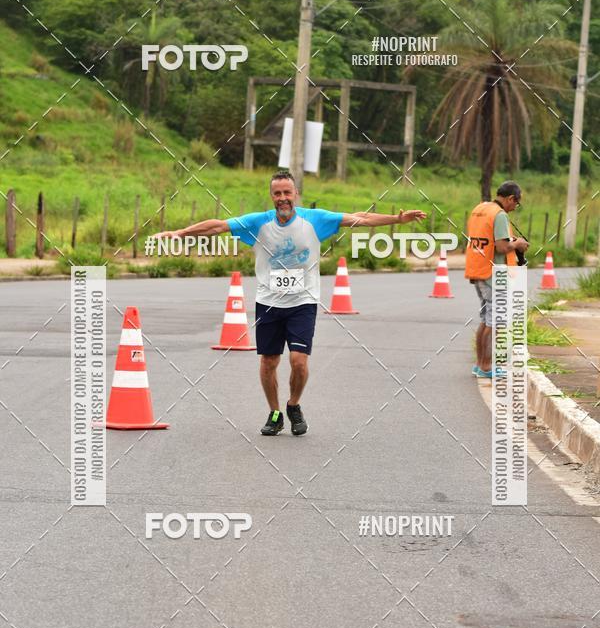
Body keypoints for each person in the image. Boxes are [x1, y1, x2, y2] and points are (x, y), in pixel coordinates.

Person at [153, 170, 426, 435]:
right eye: (277, 194)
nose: (282, 198)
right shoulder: (258, 223)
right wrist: (179, 233)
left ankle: (294, 405)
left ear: (296, 193)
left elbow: (360, 218)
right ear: (271, 196)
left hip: (303, 302)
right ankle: (274, 413)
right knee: (269, 361)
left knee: (298, 361)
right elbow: (218, 225)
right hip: (268, 302)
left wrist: (396, 219)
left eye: (287, 192)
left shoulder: (315, 219)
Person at [465, 180, 529, 378]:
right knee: (495, 323)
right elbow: (502, 247)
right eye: (516, 203)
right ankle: (486, 367)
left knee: (486, 320)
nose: (515, 207)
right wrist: (518, 244)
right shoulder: (499, 215)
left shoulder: (480, 209)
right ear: (511, 198)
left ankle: (480, 365)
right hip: (494, 274)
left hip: (479, 269)